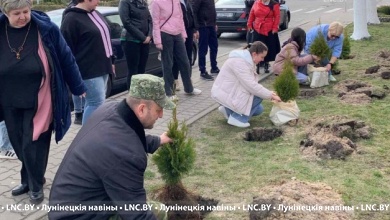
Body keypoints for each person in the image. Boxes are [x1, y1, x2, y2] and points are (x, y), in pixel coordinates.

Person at [49, 74, 174, 220]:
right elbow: (137, 215)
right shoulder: (127, 155)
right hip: (79, 216)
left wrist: (158, 140)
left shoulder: (110, 109)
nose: (161, 115)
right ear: (141, 109)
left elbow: (129, 139)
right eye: (158, 110)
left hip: (67, 207)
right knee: (158, 211)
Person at [0, 0, 87, 204]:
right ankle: (28, 179)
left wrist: (77, 86)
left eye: (25, 11)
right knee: (17, 142)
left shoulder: (46, 29)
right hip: (8, 98)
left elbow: (66, 57)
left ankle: (36, 184)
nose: (22, 17)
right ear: (6, 13)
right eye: (16, 14)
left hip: (40, 96)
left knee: (33, 142)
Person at [61, 0, 115, 125]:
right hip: (87, 69)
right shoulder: (71, 18)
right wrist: (72, 77)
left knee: (100, 102)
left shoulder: (96, 14)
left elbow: (106, 39)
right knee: (95, 102)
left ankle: (95, 131)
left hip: (104, 65)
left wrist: (112, 60)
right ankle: (87, 135)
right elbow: (66, 50)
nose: (99, 1)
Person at [211, 41, 281, 128]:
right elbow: (252, 86)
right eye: (262, 57)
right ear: (254, 54)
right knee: (258, 96)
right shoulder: (240, 63)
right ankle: (237, 119)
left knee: (259, 109)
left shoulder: (246, 60)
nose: (263, 60)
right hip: (226, 94)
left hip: (228, 93)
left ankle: (227, 110)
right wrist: (270, 95)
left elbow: (250, 84)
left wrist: (270, 93)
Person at [151, 0, 202, 99]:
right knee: (168, 64)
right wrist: (158, 41)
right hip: (165, 34)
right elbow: (155, 22)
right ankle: (168, 92)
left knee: (185, 62)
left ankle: (189, 88)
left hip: (177, 33)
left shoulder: (176, 2)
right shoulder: (156, 2)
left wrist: (183, 34)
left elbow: (180, 19)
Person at [119, 0, 152, 90]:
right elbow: (126, 22)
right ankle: (132, 95)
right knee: (133, 70)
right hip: (130, 40)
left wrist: (149, 35)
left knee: (142, 69)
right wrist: (142, 37)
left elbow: (150, 20)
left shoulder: (143, 2)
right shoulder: (125, 2)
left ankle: (140, 93)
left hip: (145, 40)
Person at [247, 0, 281, 73]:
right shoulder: (256, 2)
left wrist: (275, 28)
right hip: (257, 28)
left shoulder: (274, 4)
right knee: (256, 47)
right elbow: (252, 13)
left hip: (269, 29)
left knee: (268, 47)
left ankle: (266, 63)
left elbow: (277, 16)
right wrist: (249, 24)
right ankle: (257, 64)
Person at [172, 0, 199, 91]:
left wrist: (194, 29)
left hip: (189, 30)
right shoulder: (174, 2)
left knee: (188, 57)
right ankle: (175, 80)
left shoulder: (187, 1)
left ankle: (188, 80)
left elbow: (192, 14)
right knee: (176, 58)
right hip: (178, 31)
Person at [192, 0, 219, 81]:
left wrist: (214, 23)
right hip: (203, 26)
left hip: (211, 25)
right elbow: (194, 11)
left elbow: (212, 10)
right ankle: (202, 71)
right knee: (203, 49)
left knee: (214, 47)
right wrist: (196, 28)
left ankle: (214, 68)